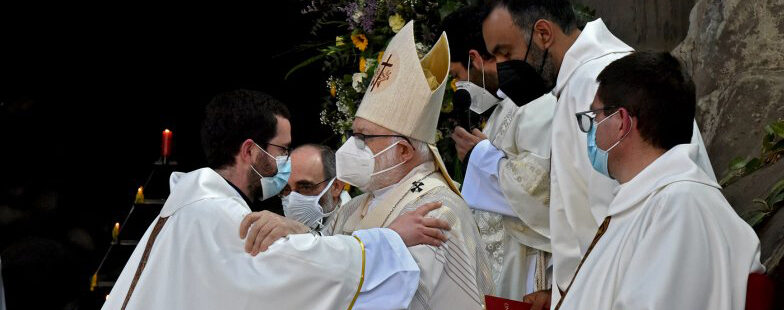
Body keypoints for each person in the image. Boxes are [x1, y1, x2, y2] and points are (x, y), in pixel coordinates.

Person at [102, 89, 451, 310]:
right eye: (282, 150)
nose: (286, 161)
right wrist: (391, 240)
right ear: (251, 152)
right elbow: (306, 270)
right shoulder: (216, 214)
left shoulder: (193, 203)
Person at [481, 1, 716, 307]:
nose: (502, 67)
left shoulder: (593, 87)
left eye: (506, 52)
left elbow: (616, 217)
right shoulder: (603, 72)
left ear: (542, 33)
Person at [555, 51, 764, 310]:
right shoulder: (649, 201)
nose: (592, 131)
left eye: (595, 117)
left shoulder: (679, 205)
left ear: (621, 122)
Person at [330, 21, 494, 309]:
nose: (350, 146)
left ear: (404, 150)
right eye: (353, 134)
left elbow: (394, 296)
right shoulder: (353, 207)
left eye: (363, 137)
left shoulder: (435, 211)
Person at [443, 5, 555, 301]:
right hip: (503, 264)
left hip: (529, 268)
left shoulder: (535, 103)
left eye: (456, 75)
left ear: (474, 59)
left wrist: (479, 155)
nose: (458, 85)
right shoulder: (504, 104)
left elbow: (545, 188)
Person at [279, 143, 351, 232]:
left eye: (305, 187)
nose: (291, 200)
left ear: (336, 187)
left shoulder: (355, 229)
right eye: (286, 189)